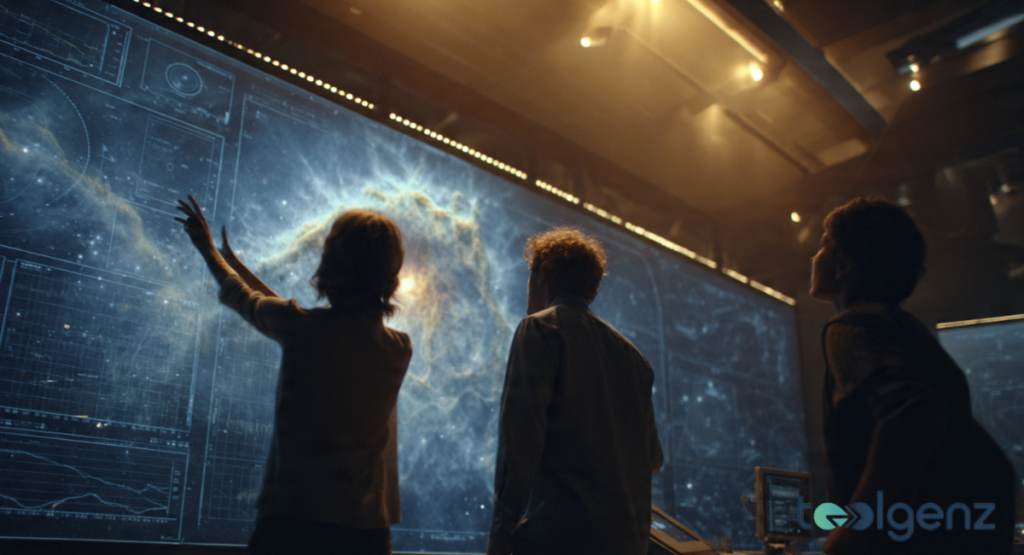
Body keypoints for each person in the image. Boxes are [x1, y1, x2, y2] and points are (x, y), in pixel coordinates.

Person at [175, 196, 412, 555]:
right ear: (390, 274)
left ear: (331, 263)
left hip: (293, 527)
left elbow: (253, 301)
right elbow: (299, 319)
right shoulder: (399, 348)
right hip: (368, 535)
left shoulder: (302, 329)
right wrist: (237, 264)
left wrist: (208, 248)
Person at [810, 197, 1016, 554]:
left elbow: (913, 415)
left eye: (824, 245)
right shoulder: (908, 333)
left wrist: (853, 527)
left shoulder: (852, 327)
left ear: (843, 265)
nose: (814, 256)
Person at [487, 227, 663, 555]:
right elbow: (652, 459)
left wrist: (499, 538)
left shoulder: (540, 329)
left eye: (529, 276)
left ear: (544, 274)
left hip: (558, 542)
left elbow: (519, 448)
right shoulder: (636, 360)